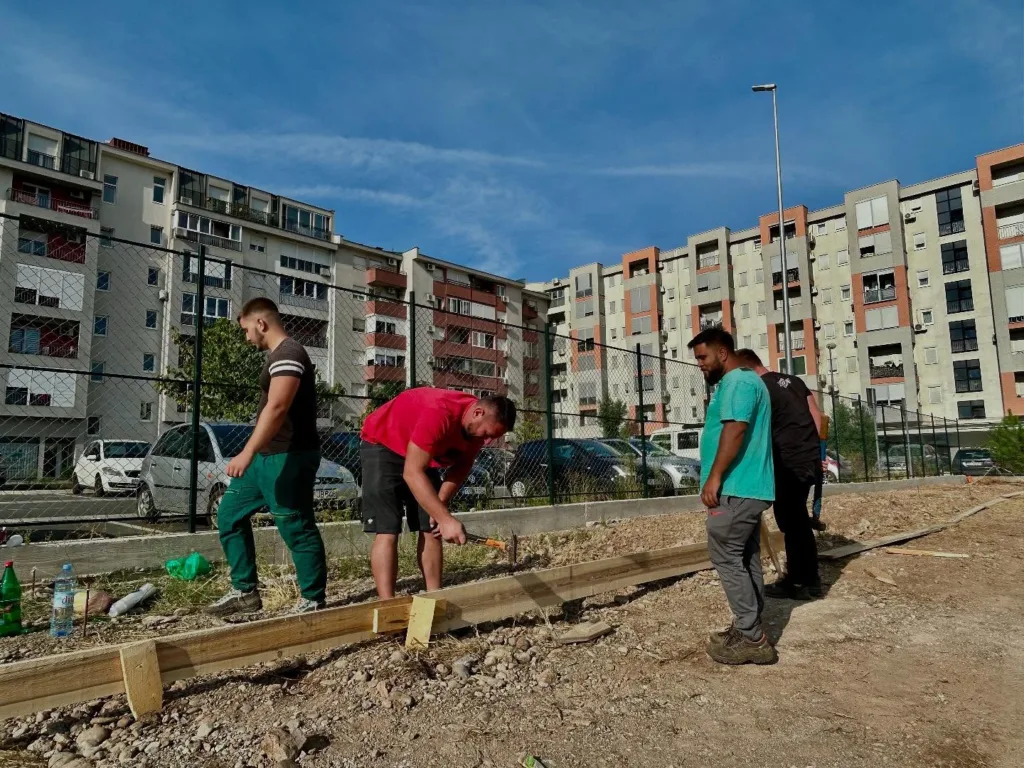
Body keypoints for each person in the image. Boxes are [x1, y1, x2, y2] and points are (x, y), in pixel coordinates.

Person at [205, 297, 328, 616]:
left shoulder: (290, 353)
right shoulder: (277, 356)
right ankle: (245, 592)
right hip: (266, 457)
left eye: (246, 330)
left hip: (289, 455)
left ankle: (312, 599)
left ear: (261, 323)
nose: (246, 337)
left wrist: (247, 452)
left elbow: (277, 407)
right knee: (229, 514)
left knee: (295, 524)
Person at [360, 388, 517, 599]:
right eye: (487, 434)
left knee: (431, 527)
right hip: (384, 442)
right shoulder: (440, 412)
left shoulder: (476, 431)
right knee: (388, 529)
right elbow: (412, 473)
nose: (486, 441)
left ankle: (434, 597)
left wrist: (439, 508)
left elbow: (461, 468)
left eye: (491, 437)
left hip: (421, 453)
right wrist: (446, 519)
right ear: (478, 413)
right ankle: (387, 604)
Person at [688, 328, 776, 665]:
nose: (700, 365)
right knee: (744, 557)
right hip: (749, 488)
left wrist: (714, 477)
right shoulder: (749, 381)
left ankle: (753, 639)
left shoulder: (738, 383)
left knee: (726, 556)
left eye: (703, 357)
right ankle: (748, 626)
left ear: (722, 353)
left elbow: (735, 430)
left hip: (736, 488)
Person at [736, 349, 824, 600]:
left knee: (793, 522)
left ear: (746, 368)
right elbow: (817, 418)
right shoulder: (795, 382)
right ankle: (803, 578)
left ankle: (804, 582)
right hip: (808, 459)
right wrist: (817, 453)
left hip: (788, 461)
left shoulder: (759, 388)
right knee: (796, 519)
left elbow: (753, 430)